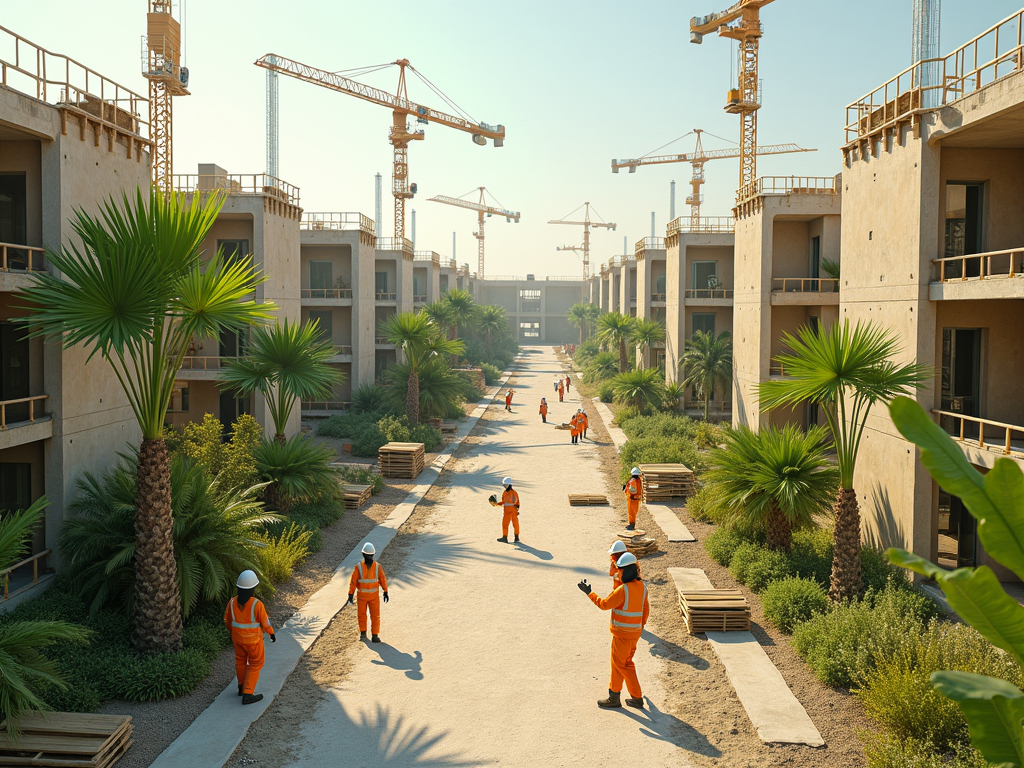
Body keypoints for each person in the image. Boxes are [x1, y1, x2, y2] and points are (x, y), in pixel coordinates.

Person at [578, 552, 649, 709]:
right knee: (623, 664)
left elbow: (604, 604)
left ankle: (632, 697)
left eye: (620, 570)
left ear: (626, 571)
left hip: (621, 635)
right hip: (634, 635)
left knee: (621, 665)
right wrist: (639, 627)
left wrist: (590, 593)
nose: (618, 572)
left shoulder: (623, 590)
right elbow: (646, 611)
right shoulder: (642, 588)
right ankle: (616, 696)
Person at [225, 570, 276, 705]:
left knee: (240, 660)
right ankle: (248, 693)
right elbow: (265, 622)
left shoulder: (231, 603)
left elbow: (227, 621)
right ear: (253, 588)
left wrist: (233, 633)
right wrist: (271, 633)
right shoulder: (256, 604)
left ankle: (241, 687)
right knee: (256, 663)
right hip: (253, 641)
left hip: (237, 639)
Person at [348, 542, 389, 643]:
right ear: (373, 555)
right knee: (375, 616)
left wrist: (350, 594)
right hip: (374, 596)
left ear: (363, 554)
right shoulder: (377, 567)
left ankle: (363, 634)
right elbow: (382, 579)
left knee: (361, 615)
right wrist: (385, 591)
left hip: (362, 596)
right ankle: (375, 636)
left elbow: (353, 582)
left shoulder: (358, 567)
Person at [497, 476, 520, 543]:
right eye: (504, 485)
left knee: (515, 524)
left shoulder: (514, 493)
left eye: (505, 485)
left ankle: (516, 537)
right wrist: (497, 503)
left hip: (513, 511)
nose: (505, 486)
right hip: (507, 511)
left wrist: (517, 510)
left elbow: (517, 502)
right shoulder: (505, 492)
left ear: (509, 485)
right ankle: (504, 537)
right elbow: (503, 501)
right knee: (505, 524)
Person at [623, 466, 642, 531]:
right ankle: (632, 523)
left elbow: (633, 490)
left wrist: (626, 488)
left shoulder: (633, 481)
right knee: (634, 511)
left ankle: (632, 524)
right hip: (637, 499)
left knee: (631, 512)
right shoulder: (639, 479)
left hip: (631, 499)